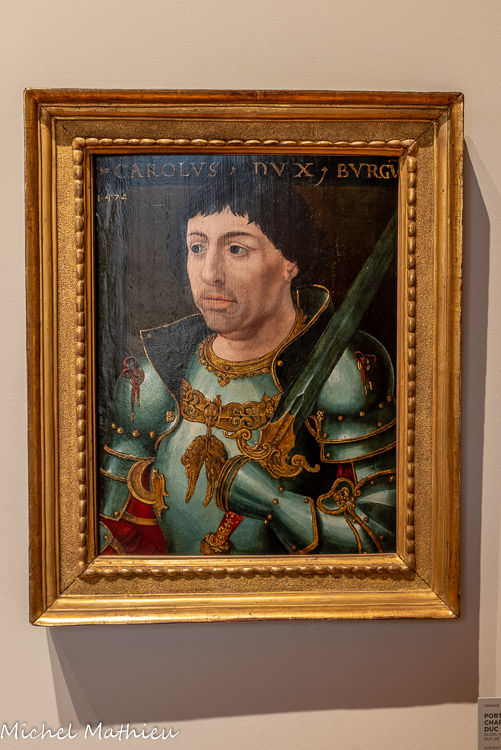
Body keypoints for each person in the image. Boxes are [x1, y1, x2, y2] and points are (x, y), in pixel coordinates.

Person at [99, 177, 396, 556]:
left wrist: (273, 501)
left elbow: (380, 537)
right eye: (197, 248)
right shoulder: (150, 381)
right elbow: (110, 537)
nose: (210, 273)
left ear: (290, 261)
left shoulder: (344, 371)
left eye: (236, 249)